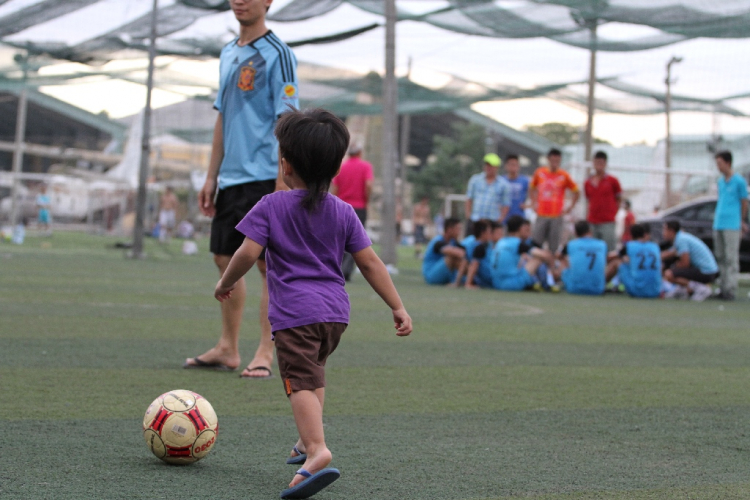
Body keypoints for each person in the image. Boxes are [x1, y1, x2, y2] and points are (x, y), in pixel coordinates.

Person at [214, 108, 412, 499]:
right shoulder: (344, 212)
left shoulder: (272, 204)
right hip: (335, 314)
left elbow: (246, 252)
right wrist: (397, 306)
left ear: (285, 165)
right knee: (314, 373)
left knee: (298, 381)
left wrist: (226, 281)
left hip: (294, 315)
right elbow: (370, 263)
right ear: (336, 169)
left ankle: (317, 449)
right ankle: (307, 443)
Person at [184, 0, 300, 380]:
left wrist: (282, 177)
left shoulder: (278, 53)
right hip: (231, 176)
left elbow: (287, 116)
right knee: (223, 258)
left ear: (269, 1)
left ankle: (266, 350)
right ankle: (228, 348)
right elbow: (223, 115)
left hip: (264, 174)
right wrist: (210, 175)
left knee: (268, 265)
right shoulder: (228, 52)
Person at [331, 143, 374, 280]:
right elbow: (368, 185)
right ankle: (346, 271)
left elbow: (334, 188)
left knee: (339, 238)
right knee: (355, 240)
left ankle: (337, 268)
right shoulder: (365, 166)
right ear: (360, 152)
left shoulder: (342, 167)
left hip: (341, 207)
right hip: (359, 207)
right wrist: (367, 199)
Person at [712, 150, 749, 300]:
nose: (718, 167)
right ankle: (722, 287)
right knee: (720, 256)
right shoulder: (720, 181)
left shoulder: (739, 181)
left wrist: (741, 221)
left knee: (731, 257)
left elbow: (744, 201)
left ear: (728, 163)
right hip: (718, 223)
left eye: (720, 163)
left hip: (732, 224)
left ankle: (731, 289)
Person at [529, 148, 579, 253]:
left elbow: (576, 191)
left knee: (553, 246)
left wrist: (570, 207)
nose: (555, 163)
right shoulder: (540, 172)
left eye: (557, 161)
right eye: (553, 160)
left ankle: (551, 267)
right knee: (536, 244)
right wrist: (533, 203)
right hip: (541, 214)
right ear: (548, 159)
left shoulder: (564, 175)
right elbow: (532, 188)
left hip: (556, 216)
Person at [490, 215, 553, 291]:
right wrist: (551, 261)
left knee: (524, 258)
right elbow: (545, 255)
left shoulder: (501, 241)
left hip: (495, 283)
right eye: (526, 229)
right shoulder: (517, 243)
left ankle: (537, 282)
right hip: (511, 284)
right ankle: (546, 284)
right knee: (539, 258)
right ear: (520, 228)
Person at [661, 220, 718, 301]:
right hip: (710, 271)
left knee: (669, 274)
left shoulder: (681, 240)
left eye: (665, 230)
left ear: (671, 231)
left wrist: (674, 267)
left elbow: (685, 263)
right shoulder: (680, 237)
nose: (663, 233)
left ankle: (700, 289)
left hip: (706, 272)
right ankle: (683, 289)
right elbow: (670, 253)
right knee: (674, 269)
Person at [610, 223, 661, 298]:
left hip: (637, 290)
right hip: (656, 291)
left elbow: (613, 256)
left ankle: (601, 286)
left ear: (631, 235)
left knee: (617, 263)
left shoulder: (630, 245)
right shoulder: (655, 246)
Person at [584, 151, 622, 251]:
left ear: (605, 163)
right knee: (593, 250)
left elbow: (619, 198)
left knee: (609, 250)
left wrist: (613, 212)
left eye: (601, 163)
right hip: (592, 221)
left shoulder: (612, 181)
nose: (598, 166)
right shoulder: (588, 182)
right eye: (596, 163)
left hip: (607, 221)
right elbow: (588, 199)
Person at [559, 220, 607, 295]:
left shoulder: (570, 244)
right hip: (598, 289)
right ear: (590, 231)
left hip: (574, 288)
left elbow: (558, 256)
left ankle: (555, 281)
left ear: (575, 233)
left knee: (561, 259)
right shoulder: (602, 244)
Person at [465, 153, 511, 232]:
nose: (488, 167)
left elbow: (506, 204)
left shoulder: (503, 184)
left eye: (491, 165)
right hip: (476, 219)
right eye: (487, 164)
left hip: (492, 221)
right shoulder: (475, 180)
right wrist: (468, 216)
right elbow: (469, 198)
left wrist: (500, 219)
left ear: (497, 167)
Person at [422, 218, 465, 285]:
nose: (459, 232)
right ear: (449, 229)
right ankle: (456, 283)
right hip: (431, 274)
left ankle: (466, 281)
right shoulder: (438, 241)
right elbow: (458, 253)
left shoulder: (453, 242)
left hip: (442, 272)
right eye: (458, 229)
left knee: (464, 262)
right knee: (451, 257)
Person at [453, 219, 492, 289]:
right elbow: (474, 264)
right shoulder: (481, 247)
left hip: (479, 278)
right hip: (486, 280)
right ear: (483, 233)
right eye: (489, 232)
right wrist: (468, 283)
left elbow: (464, 263)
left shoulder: (470, 245)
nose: (490, 234)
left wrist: (456, 282)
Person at [502, 154, 530, 223]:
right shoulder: (501, 180)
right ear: (506, 166)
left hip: (519, 217)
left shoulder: (524, 181)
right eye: (511, 164)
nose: (513, 167)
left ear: (519, 166)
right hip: (504, 217)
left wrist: (528, 205)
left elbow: (535, 193)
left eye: (515, 164)